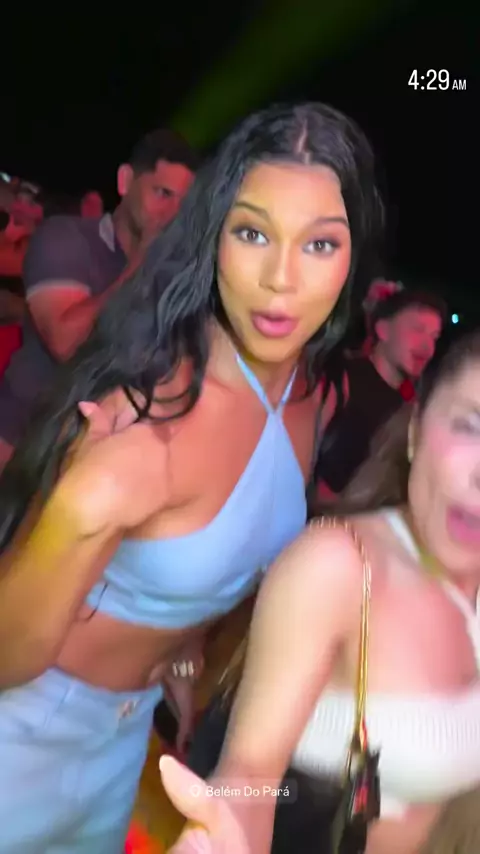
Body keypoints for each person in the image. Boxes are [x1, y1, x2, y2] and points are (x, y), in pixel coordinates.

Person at [0, 101, 382, 853]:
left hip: (125, 743)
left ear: (353, 257)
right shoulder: (150, 403)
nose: (280, 280)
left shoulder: (314, 393)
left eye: (319, 244)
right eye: (252, 233)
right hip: (26, 731)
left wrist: (180, 657)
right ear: (214, 236)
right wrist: (81, 507)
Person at [161, 329, 480, 854]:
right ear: (416, 430)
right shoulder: (338, 567)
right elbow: (251, 776)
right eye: (470, 426)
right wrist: (227, 827)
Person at [0, 129, 200, 468]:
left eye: (181, 205)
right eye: (162, 193)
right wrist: (143, 264)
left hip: (86, 459)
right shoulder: (66, 238)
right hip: (18, 439)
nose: (170, 215)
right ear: (125, 181)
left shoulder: (174, 278)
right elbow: (67, 343)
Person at [314, 289, 446, 502]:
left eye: (434, 337)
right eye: (417, 329)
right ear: (383, 330)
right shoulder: (340, 378)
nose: (427, 346)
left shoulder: (409, 408)